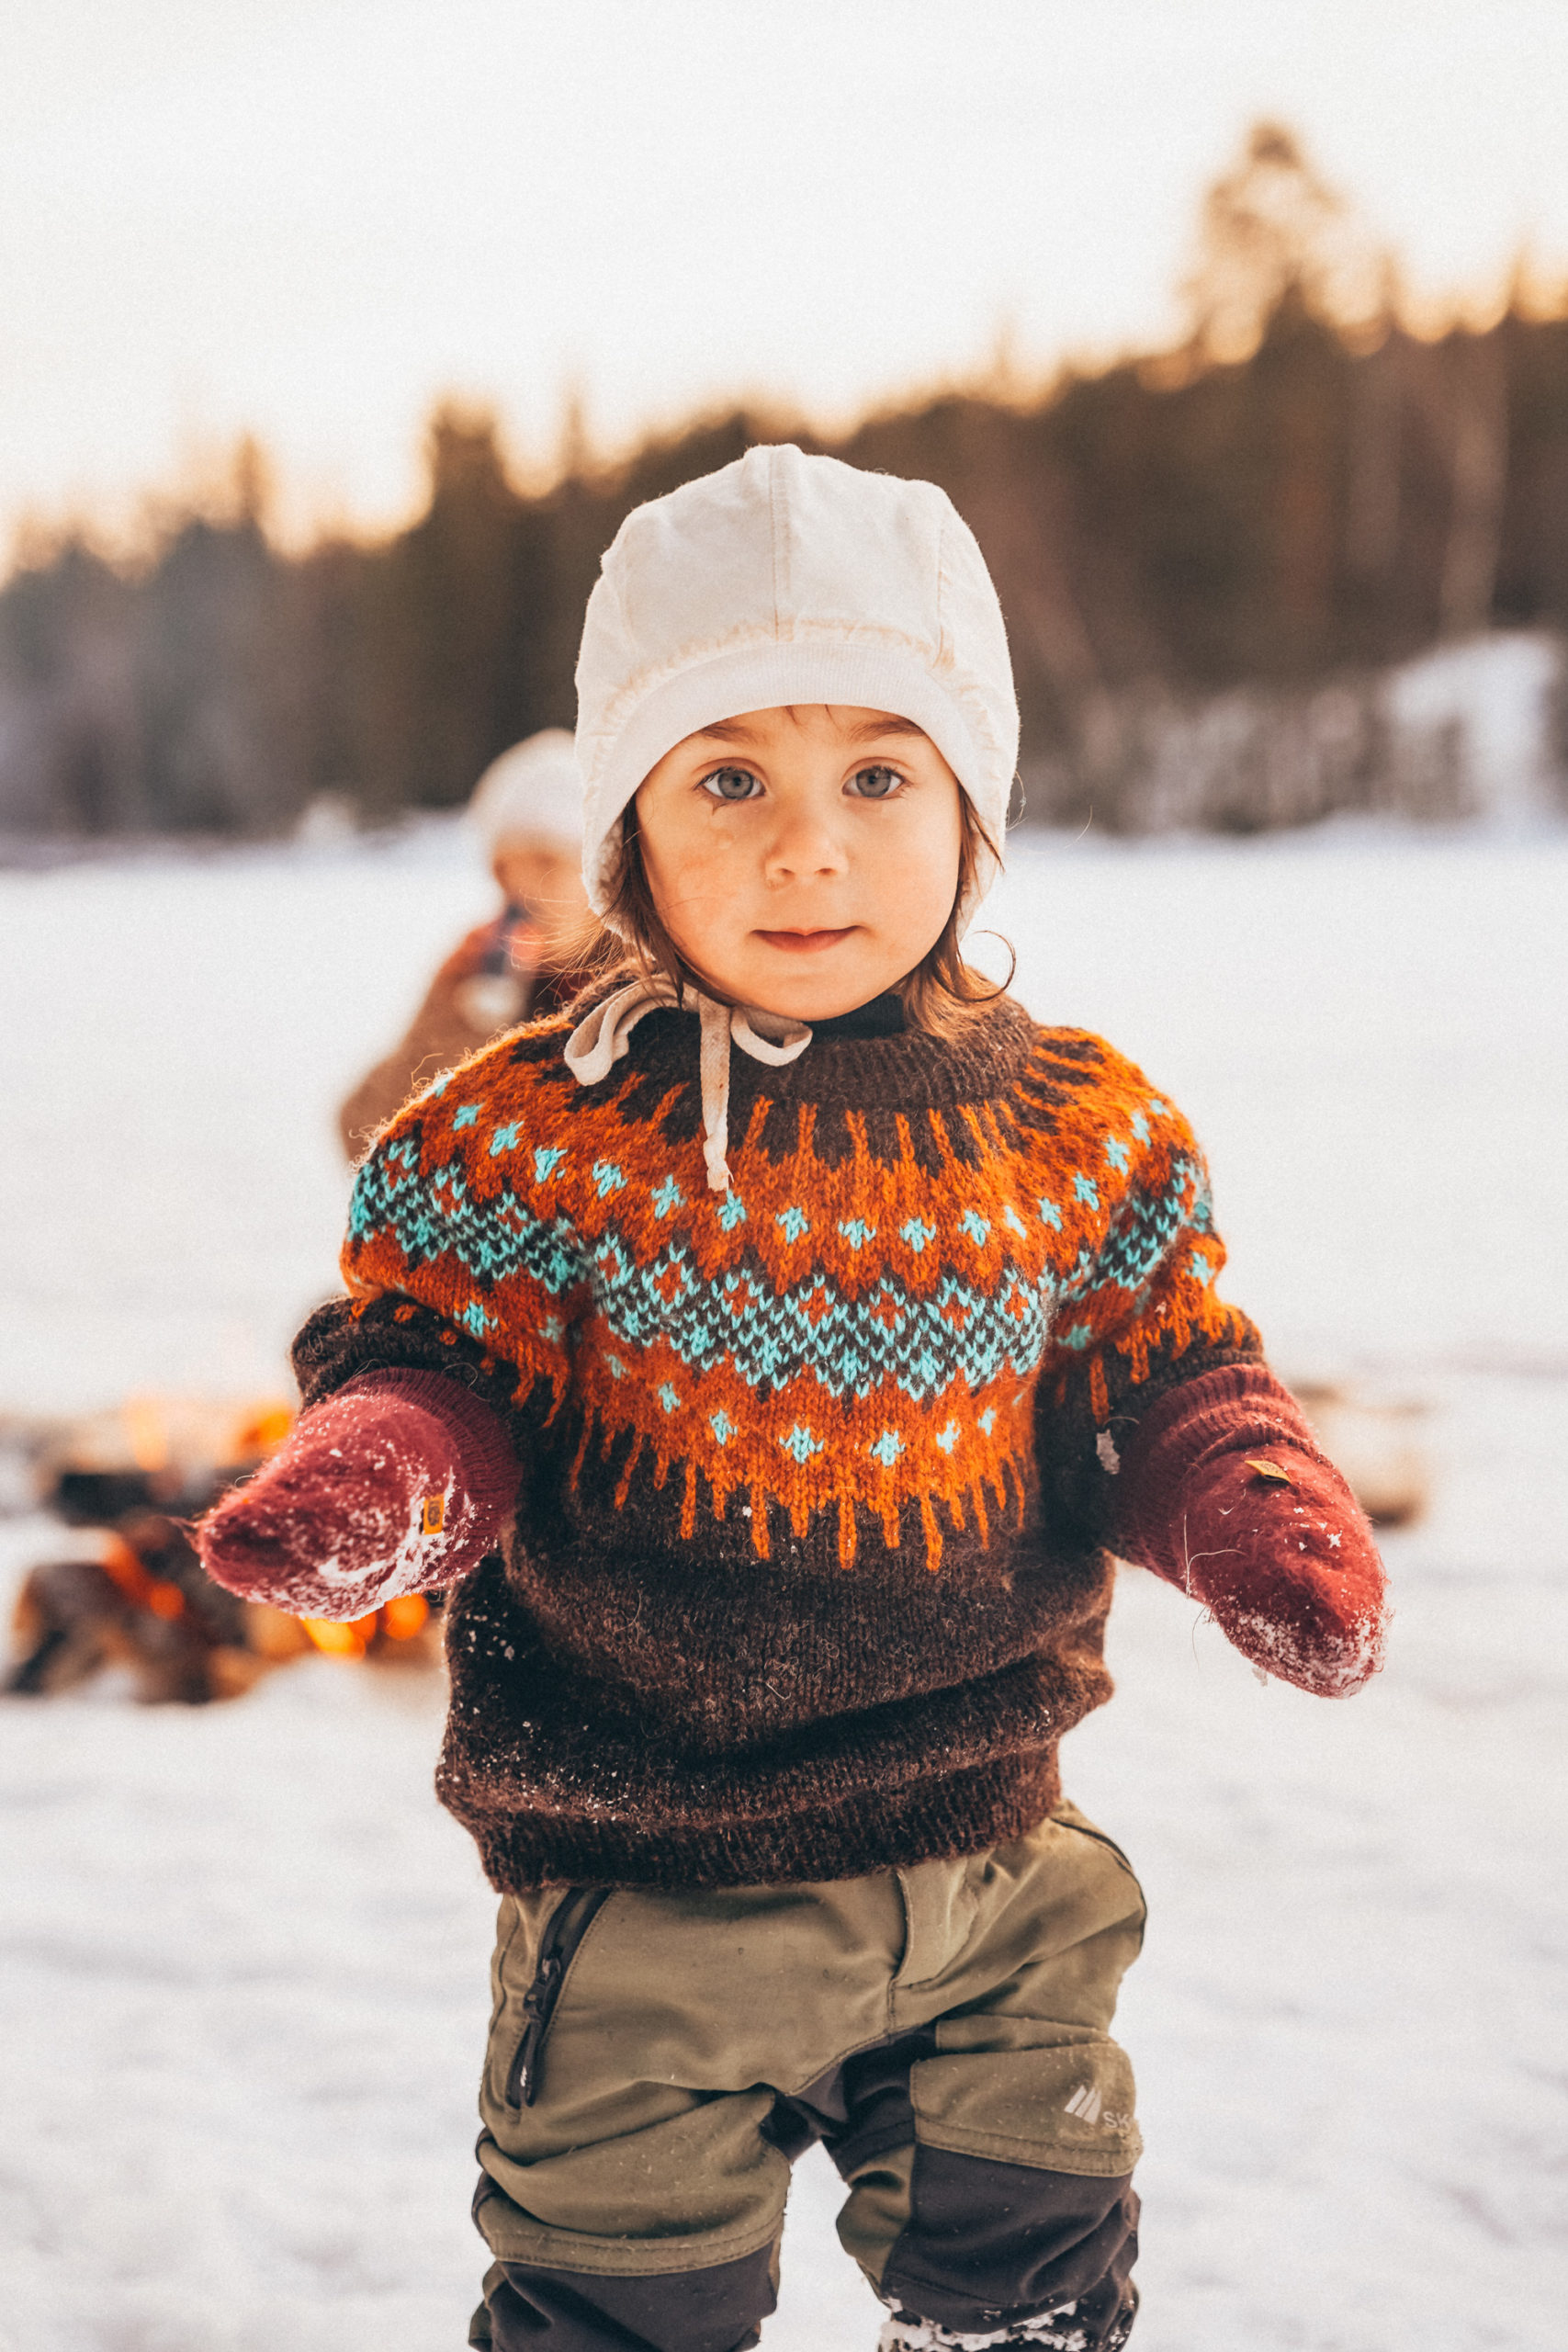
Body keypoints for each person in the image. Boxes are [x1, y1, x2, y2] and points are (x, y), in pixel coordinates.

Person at [199, 447, 1389, 2352]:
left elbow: (1157, 1370)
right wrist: (387, 1465)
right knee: (618, 2310)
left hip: (996, 1868)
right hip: (651, 1885)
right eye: (727, 774)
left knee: (1034, 2290)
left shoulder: (1073, 1129)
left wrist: (1244, 1498)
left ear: (970, 808)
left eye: (875, 773)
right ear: (629, 829)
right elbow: (436, 1364)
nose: (804, 845)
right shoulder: (527, 1137)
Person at [337, 729, 586, 1159]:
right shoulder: (476, 966)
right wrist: (443, 1038)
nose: (522, 887)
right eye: (506, 868)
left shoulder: (647, 977)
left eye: (547, 861)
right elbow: (359, 1131)